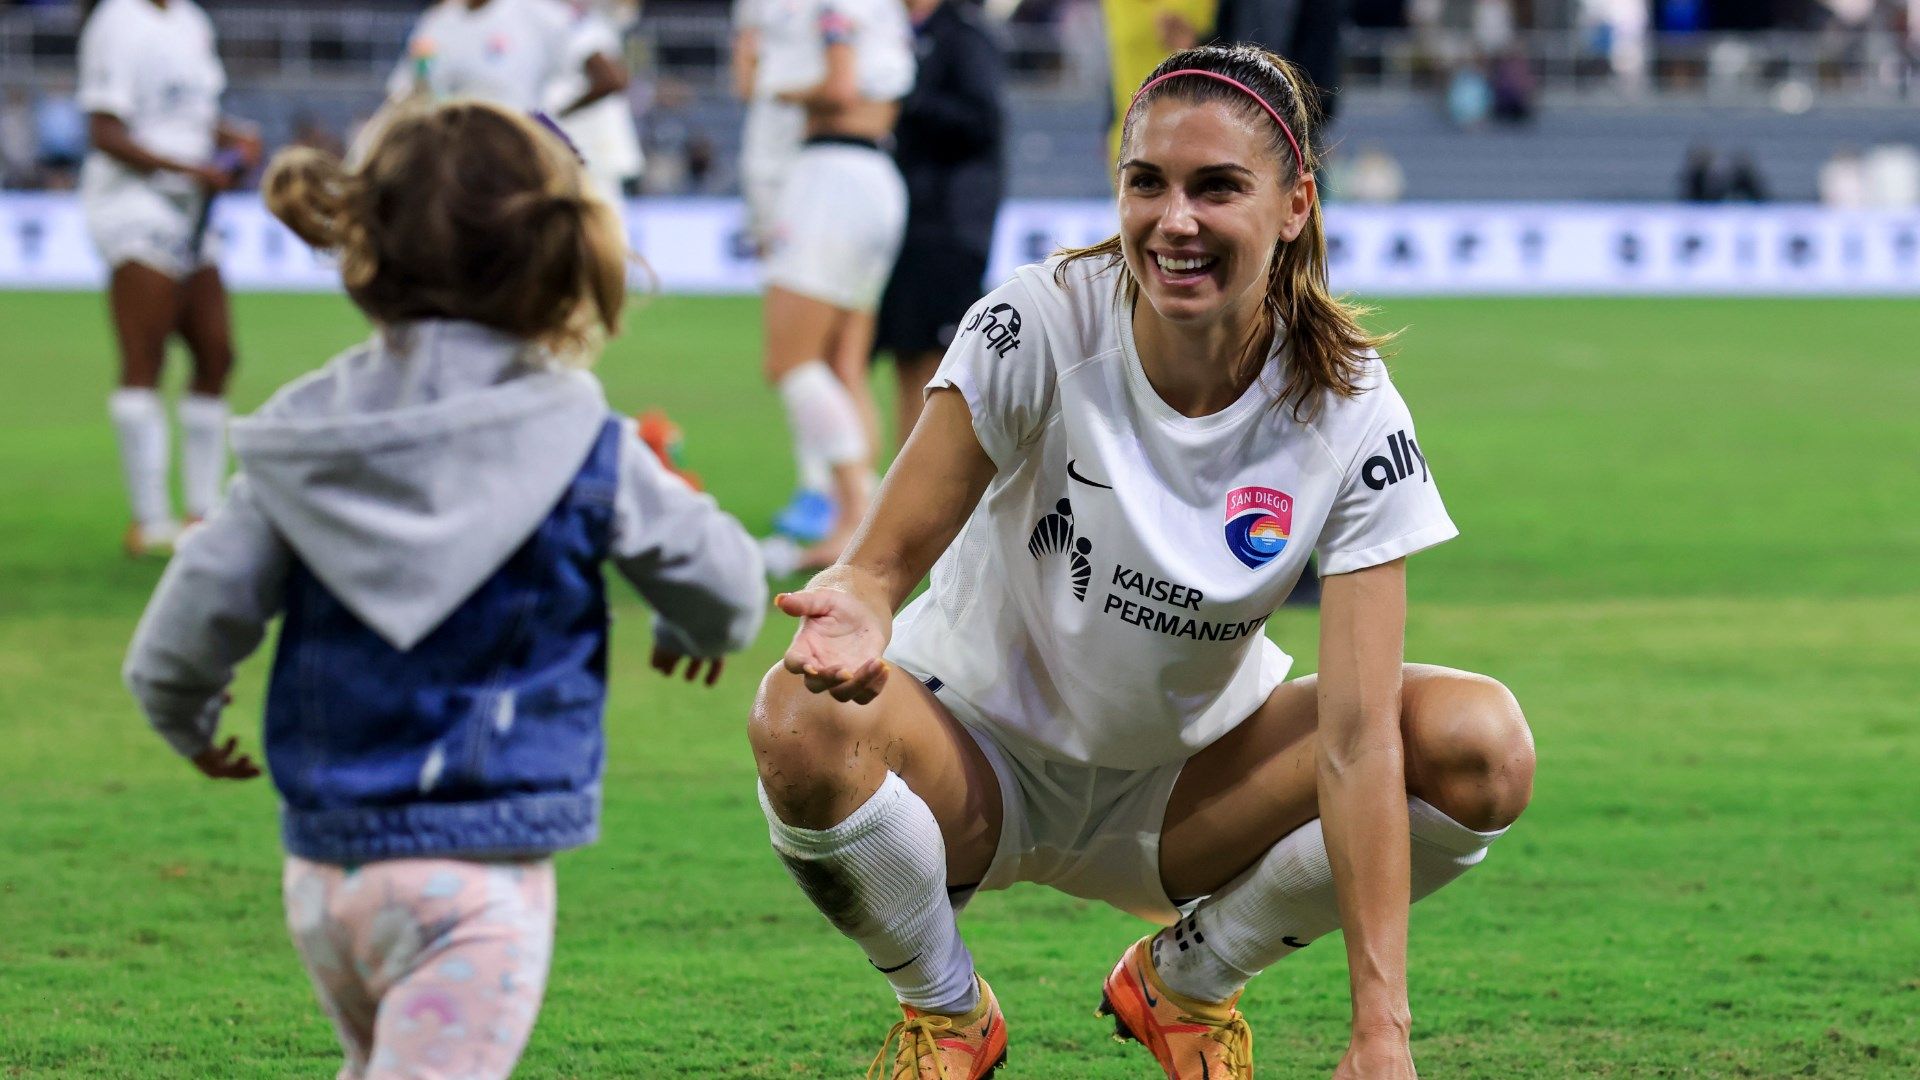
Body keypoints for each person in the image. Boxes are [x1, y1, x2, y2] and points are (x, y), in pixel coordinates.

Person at [748, 44, 1535, 1080]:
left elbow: (1355, 740)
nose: (1176, 220)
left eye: (1219, 187)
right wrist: (856, 598)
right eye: (1147, 182)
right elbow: (879, 565)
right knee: (799, 719)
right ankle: (945, 1013)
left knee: (1479, 745)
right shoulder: (1040, 317)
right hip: (972, 763)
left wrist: (1380, 1033)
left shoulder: (1350, 410)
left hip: (1188, 796)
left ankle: (1187, 983)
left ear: (1296, 204)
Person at [121, 99, 767, 1080]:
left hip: (324, 874)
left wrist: (187, 711)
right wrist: (689, 623)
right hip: (480, 881)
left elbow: (186, 620)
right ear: (558, 253)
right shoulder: (589, 445)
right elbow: (729, 589)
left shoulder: (301, 445)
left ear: (367, 245)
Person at [78, 0, 262, 557]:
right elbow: (105, 131)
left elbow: (192, 117)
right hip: (136, 202)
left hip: (191, 204)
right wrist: (192, 169)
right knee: (146, 353)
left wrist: (236, 139)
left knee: (217, 354)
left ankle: (201, 515)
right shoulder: (116, 20)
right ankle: (149, 520)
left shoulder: (190, 19)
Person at [750, 0, 916, 574]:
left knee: (789, 360)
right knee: (844, 364)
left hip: (831, 176)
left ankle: (854, 514)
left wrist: (781, 88)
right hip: (875, 177)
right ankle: (862, 524)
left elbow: (840, 87)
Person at [873, 0, 1006, 446]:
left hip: (948, 224)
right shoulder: (905, 32)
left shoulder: (963, 36)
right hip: (914, 223)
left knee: (941, 366)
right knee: (908, 356)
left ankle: (943, 499)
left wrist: (906, 100)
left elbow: (983, 123)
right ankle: (904, 488)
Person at [389, 0, 628, 117]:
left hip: (516, 156)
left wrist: (551, 120)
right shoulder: (437, 22)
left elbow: (610, 77)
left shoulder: (536, 10)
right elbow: (408, 91)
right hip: (454, 158)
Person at [547, 0, 646, 205]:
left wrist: (559, 113)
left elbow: (613, 79)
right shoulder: (551, 18)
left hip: (589, 146)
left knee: (598, 223)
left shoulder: (580, 23)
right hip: (569, 149)